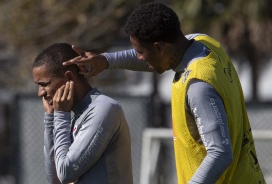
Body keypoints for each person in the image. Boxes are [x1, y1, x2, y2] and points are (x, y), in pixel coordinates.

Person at [63, 2, 266, 184]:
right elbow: (155, 59)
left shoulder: (198, 86)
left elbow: (220, 153)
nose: (139, 57)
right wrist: (106, 61)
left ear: (159, 47)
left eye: (141, 52)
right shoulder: (203, 43)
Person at [32, 43, 133, 184]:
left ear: (68, 78)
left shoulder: (104, 109)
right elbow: (55, 180)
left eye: (44, 84)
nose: (40, 93)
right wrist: (50, 119)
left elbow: (66, 173)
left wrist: (61, 116)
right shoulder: (75, 116)